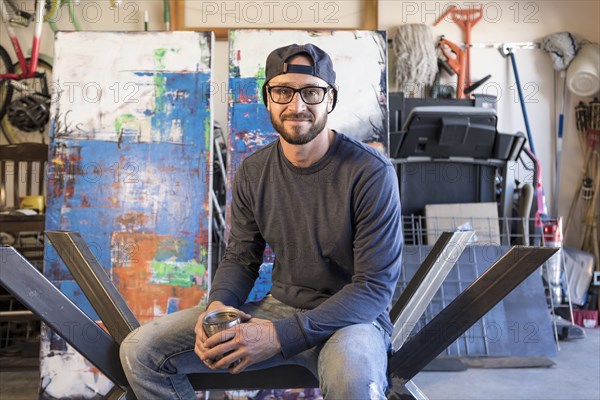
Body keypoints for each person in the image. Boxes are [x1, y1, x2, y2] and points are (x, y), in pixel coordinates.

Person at [120, 43, 403, 399]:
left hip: (351, 321)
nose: (296, 106)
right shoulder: (253, 171)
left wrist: (279, 336)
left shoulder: (370, 173)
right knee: (142, 352)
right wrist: (219, 305)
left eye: (311, 92)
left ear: (330, 99)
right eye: (283, 91)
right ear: (267, 98)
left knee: (354, 380)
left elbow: (373, 289)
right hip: (279, 308)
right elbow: (241, 257)